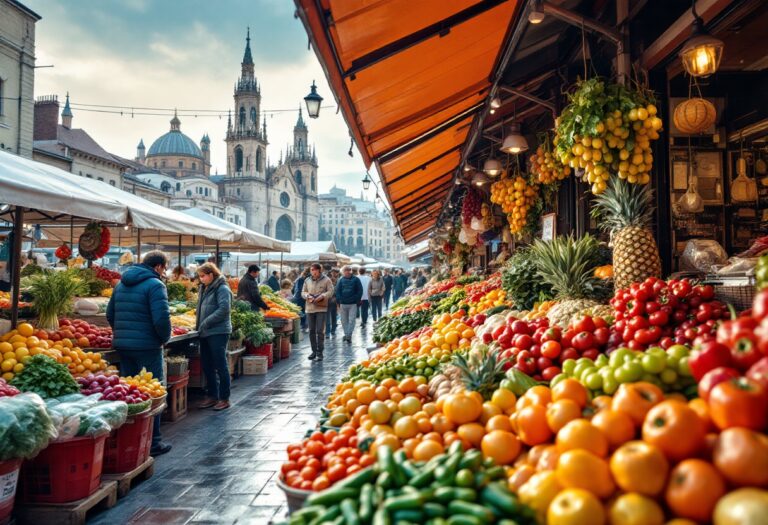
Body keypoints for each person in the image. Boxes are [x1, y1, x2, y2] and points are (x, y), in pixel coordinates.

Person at [106, 250, 172, 456]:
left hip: (124, 346)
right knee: (153, 392)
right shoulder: (155, 285)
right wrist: (163, 338)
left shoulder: (121, 284)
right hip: (148, 347)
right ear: (159, 267)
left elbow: (110, 314)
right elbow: (161, 319)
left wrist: (122, 334)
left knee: (129, 392)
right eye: (165, 268)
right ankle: (153, 442)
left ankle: (130, 440)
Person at [195, 263, 232, 411]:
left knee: (220, 365)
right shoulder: (204, 288)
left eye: (203, 276)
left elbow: (224, 309)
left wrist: (205, 322)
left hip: (218, 331)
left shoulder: (222, 288)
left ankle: (224, 398)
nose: (201, 279)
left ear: (211, 274)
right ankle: (212, 395)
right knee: (207, 365)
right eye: (200, 276)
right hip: (205, 331)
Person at [302, 263, 334, 360]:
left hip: (321, 308)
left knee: (320, 331)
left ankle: (320, 352)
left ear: (320, 271)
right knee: (311, 331)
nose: (313, 272)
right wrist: (307, 296)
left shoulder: (327, 280)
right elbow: (303, 292)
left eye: (315, 270)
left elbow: (331, 291)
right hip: (310, 308)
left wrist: (323, 296)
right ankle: (313, 351)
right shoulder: (307, 280)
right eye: (312, 270)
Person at [336, 266, 363, 343]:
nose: (347, 272)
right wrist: (339, 300)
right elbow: (337, 291)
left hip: (352, 303)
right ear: (343, 272)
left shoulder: (356, 279)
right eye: (345, 270)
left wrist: (355, 299)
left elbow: (360, 290)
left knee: (352, 320)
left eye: (348, 270)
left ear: (351, 271)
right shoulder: (340, 280)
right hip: (343, 303)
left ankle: (348, 335)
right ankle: (347, 334)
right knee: (344, 320)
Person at [326, 268, 340, 337]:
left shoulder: (339, 281)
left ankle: (333, 330)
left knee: (334, 316)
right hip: (327, 300)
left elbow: (339, 291)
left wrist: (337, 299)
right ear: (331, 272)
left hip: (335, 301)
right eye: (333, 272)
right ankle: (327, 332)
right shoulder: (327, 280)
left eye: (336, 272)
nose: (334, 274)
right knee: (327, 317)